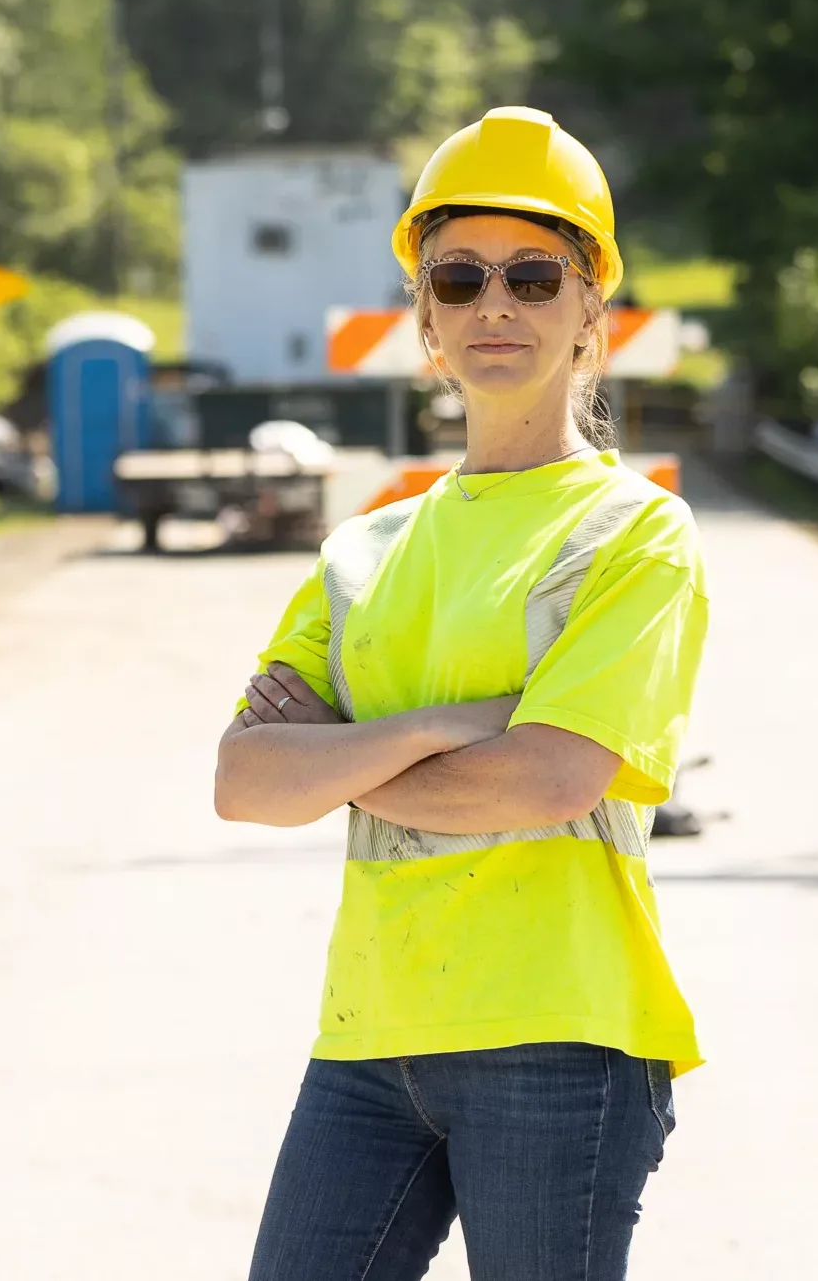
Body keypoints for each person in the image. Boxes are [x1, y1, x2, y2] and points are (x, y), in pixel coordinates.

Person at [215, 107, 709, 1281]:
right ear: (426, 318)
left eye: (536, 276)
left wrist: (349, 756)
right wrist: (448, 723)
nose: (497, 304)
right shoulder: (365, 548)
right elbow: (245, 781)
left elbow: (545, 778)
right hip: (372, 1036)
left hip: (560, 1038)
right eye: (461, 277)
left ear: (592, 312)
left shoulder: (633, 533)